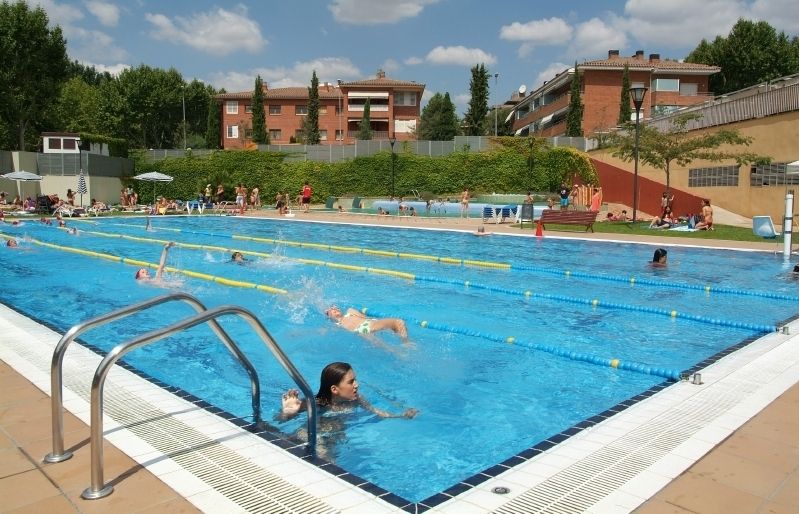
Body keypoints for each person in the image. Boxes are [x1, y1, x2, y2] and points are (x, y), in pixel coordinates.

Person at [280, 362, 418, 421]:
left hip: (336, 437)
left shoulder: (357, 399)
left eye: (355, 380)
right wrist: (288, 412)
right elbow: (281, 420)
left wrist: (401, 416)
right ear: (334, 389)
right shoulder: (316, 403)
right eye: (351, 382)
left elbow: (376, 411)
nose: (356, 385)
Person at [324, 305, 411, 346]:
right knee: (385, 347)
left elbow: (365, 317)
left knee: (398, 322)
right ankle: (402, 354)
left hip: (369, 324)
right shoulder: (336, 325)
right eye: (330, 309)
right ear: (328, 315)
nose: (334, 309)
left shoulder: (350, 311)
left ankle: (406, 344)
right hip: (360, 330)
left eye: (335, 307)